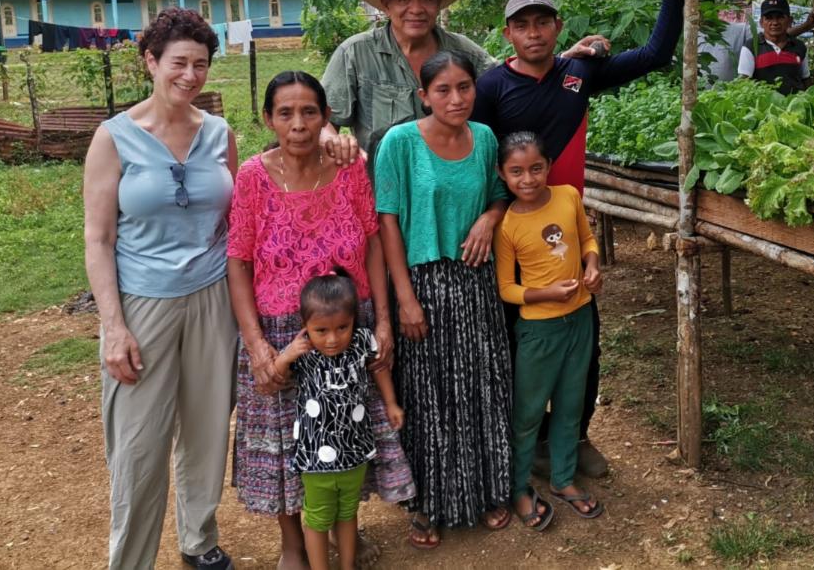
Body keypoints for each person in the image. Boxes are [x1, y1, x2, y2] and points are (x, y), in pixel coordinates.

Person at [471, 0, 694, 478]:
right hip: (512, 235)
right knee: (516, 343)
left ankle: (575, 435)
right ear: (508, 35)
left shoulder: (579, 73)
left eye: (542, 22)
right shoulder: (489, 87)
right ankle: (521, 445)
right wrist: (491, 215)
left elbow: (655, 55)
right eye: (522, 25)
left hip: (568, 234)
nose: (534, 33)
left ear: (557, 26)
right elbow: (477, 159)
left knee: (582, 341)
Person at [226, 72, 412, 569]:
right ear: (268, 119)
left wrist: (384, 322)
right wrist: (256, 344)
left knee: (346, 432)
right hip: (283, 332)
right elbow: (238, 261)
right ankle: (294, 544)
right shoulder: (253, 176)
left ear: (326, 117)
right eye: (285, 113)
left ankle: (342, 530)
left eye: (310, 112)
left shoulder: (348, 171)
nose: (299, 124)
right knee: (289, 441)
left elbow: (372, 242)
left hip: (349, 327)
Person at [82, 8, 238, 570]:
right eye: (179, 62)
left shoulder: (219, 134)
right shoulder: (114, 138)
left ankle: (198, 540)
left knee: (206, 427)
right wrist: (113, 327)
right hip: (143, 302)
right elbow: (98, 239)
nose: (190, 75)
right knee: (139, 444)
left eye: (200, 64)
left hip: (212, 296)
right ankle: (131, 561)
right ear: (150, 61)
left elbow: (239, 220)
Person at [374, 51, 517, 549]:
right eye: (443, 90)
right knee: (429, 396)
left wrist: (489, 217)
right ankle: (428, 504)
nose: (456, 99)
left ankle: (485, 490)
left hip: (477, 282)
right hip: (424, 284)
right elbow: (387, 220)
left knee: (481, 386)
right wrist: (404, 299)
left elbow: (501, 192)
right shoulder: (400, 142)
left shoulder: (484, 139)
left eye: (464, 87)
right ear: (423, 96)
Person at [320, 0, 605, 170]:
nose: (416, 9)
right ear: (386, 4)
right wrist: (334, 142)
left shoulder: (463, 52)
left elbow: (512, 80)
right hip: (384, 193)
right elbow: (324, 121)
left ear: (439, 4)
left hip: (452, 190)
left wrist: (560, 60)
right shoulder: (355, 53)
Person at [494, 131, 604, 531]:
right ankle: (519, 486)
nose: (528, 179)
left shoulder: (568, 197)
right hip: (538, 331)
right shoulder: (507, 226)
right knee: (527, 413)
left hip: (580, 319)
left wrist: (592, 266)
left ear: (548, 166)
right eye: (517, 172)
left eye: (536, 168)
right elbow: (506, 288)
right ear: (502, 174)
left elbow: (587, 239)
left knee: (570, 405)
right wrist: (545, 293)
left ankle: (562, 479)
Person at [272, 274, 405, 570]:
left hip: (354, 450)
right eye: (321, 330)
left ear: (353, 321)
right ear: (305, 325)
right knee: (318, 517)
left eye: (342, 327)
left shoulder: (361, 341)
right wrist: (285, 357)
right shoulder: (303, 349)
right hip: (315, 457)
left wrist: (391, 403)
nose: (332, 339)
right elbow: (275, 376)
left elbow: (378, 368)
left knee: (348, 512)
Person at [736, 0, 811, 94]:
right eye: (769, 18)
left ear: (790, 21)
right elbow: (743, 83)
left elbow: (806, 79)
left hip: (796, 107)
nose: (775, 23)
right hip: (763, 108)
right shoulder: (751, 47)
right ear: (761, 22)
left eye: (780, 17)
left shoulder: (799, 47)